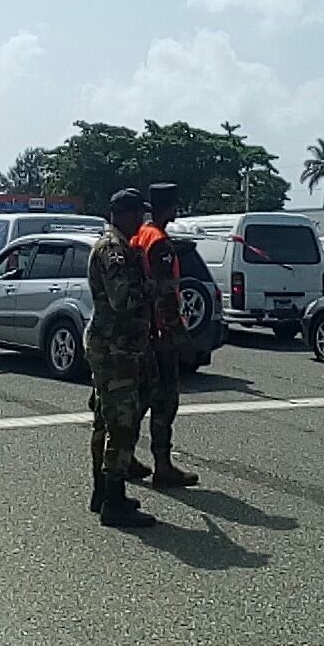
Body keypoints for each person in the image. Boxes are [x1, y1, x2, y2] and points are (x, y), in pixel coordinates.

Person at [85, 188, 159, 527]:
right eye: (138, 215)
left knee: (105, 418)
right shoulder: (113, 250)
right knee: (121, 423)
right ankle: (112, 500)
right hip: (116, 348)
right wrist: (153, 288)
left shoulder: (115, 245)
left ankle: (103, 492)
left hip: (113, 345)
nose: (141, 221)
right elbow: (122, 301)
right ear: (125, 214)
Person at [130, 183, 199, 488]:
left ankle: (125, 456)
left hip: (141, 329)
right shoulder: (159, 242)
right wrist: (180, 336)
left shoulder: (139, 235)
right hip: (160, 334)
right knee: (164, 400)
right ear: (169, 207)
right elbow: (166, 294)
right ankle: (162, 465)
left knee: (139, 397)